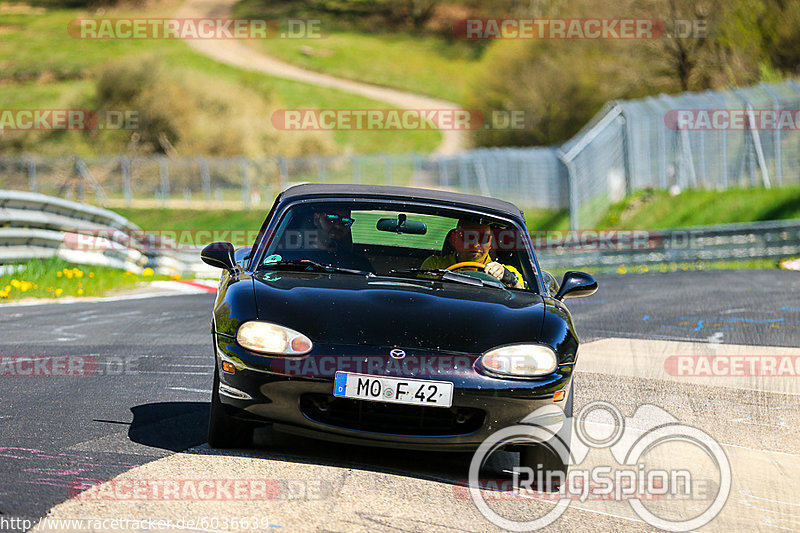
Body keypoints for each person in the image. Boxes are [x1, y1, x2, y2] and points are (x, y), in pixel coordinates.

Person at [421, 218, 524, 288]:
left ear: (490, 243)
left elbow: (525, 303)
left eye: (483, 238)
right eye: (468, 237)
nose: (475, 244)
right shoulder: (434, 266)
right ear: (454, 240)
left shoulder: (508, 273)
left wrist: (510, 279)